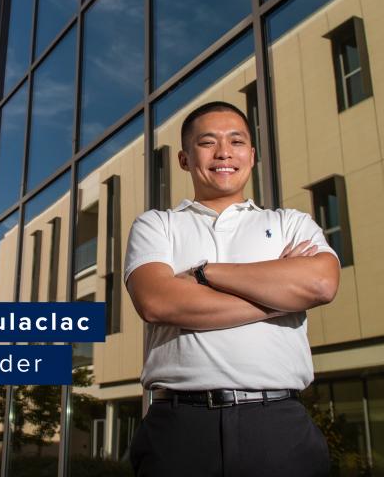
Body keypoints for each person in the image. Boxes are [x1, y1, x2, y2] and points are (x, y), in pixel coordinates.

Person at [124, 101, 339, 477]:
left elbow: (320, 283)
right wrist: (279, 297)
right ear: (184, 159)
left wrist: (206, 272)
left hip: (277, 425)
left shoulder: (290, 223)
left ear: (251, 156)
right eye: (208, 142)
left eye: (236, 141)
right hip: (180, 430)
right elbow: (157, 302)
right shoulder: (156, 225)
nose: (224, 152)